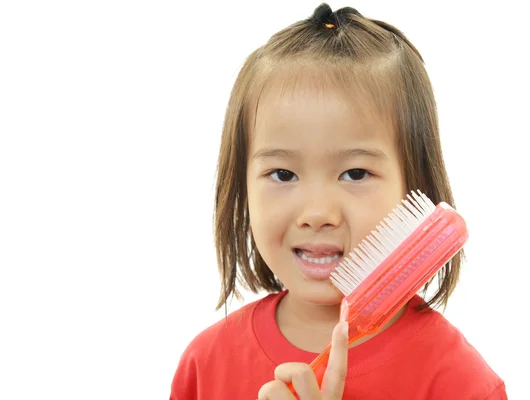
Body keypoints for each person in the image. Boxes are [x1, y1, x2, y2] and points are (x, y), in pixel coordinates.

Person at [170, 3, 507, 399]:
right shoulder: (206, 364)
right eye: (283, 174)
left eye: (356, 174)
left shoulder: (458, 382)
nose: (317, 214)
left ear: (414, 189)